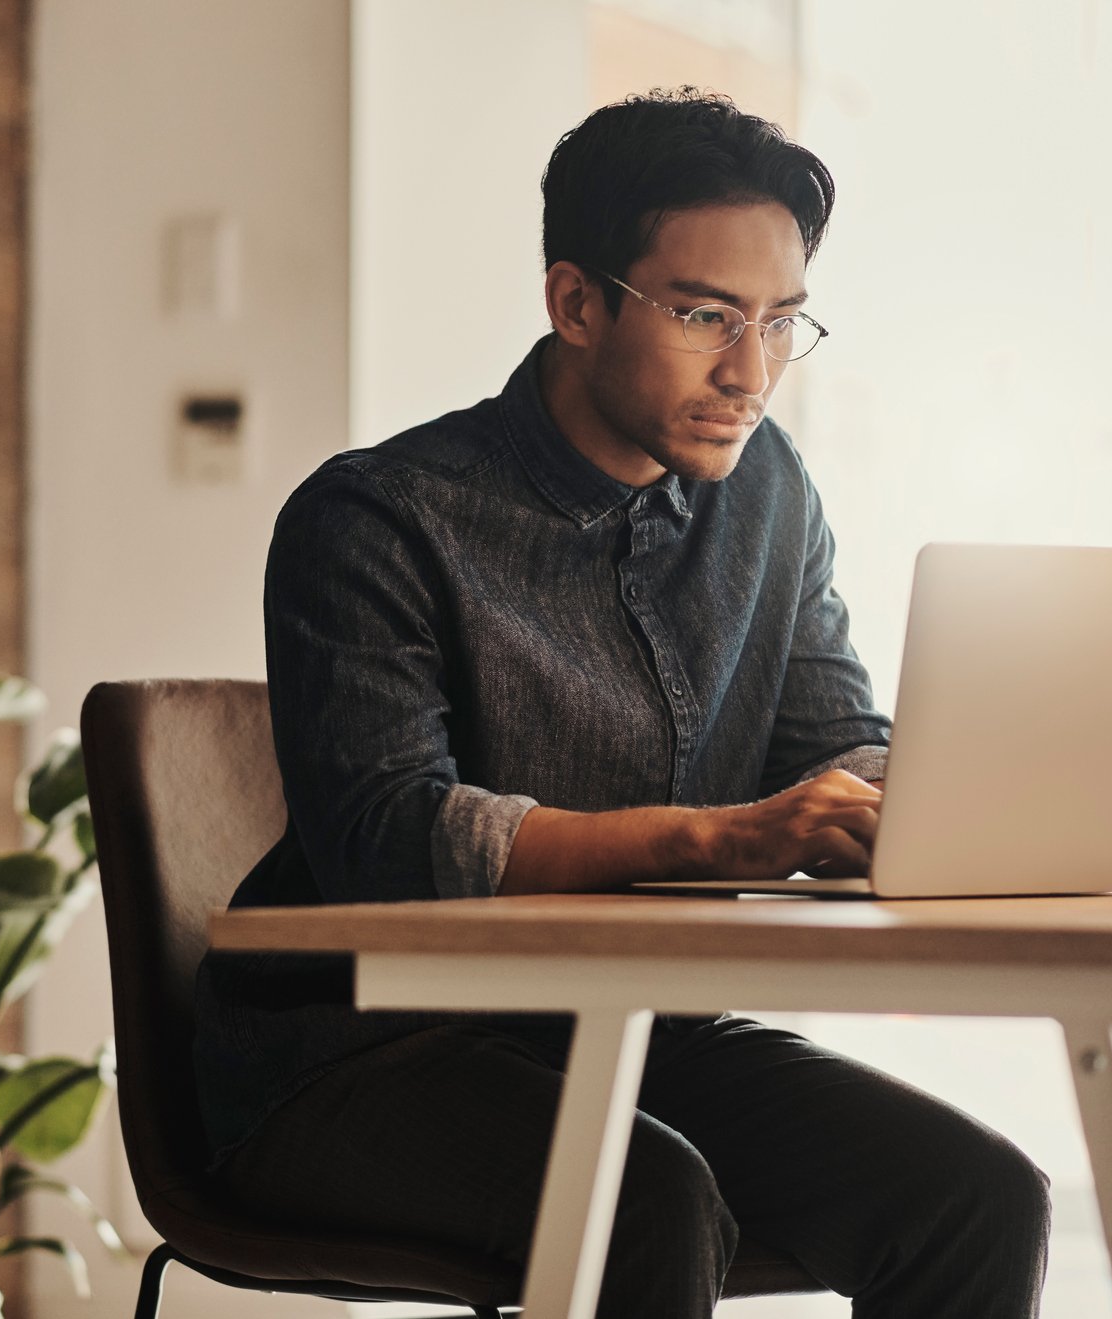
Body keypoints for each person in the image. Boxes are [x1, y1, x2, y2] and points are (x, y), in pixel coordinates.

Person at [191, 88, 1051, 1318]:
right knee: (642, 1195)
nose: (750, 372)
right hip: (350, 1055)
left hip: (635, 1033)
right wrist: (719, 835)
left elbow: (827, 741)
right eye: (704, 315)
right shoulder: (376, 515)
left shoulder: (766, 495)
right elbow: (391, 840)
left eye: (779, 322)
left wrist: (966, 784)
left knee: (974, 1195)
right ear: (575, 303)